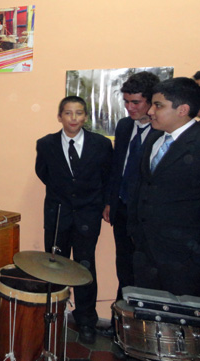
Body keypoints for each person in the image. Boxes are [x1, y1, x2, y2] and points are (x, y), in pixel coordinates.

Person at [35, 96, 113, 344]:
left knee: (85, 268)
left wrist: (93, 203)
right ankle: (53, 316)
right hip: (57, 215)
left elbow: (106, 177)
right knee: (54, 267)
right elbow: (43, 173)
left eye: (79, 113)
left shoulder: (100, 144)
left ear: (86, 117)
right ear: (60, 116)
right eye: (68, 113)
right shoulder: (45, 144)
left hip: (88, 216)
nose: (73, 118)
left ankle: (86, 320)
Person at [100, 72, 160, 337]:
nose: (130, 107)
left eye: (136, 102)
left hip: (149, 216)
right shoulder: (124, 126)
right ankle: (119, 326)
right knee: (123, 267)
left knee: (146, 272)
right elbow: (117, 168)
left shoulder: (162, 131)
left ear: (151, 101)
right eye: (126, 101)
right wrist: (110, 201)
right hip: (122, 209)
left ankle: (143, 332)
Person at [128, 77, 200, 297]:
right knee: (150, 317)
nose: (150, 111)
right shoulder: (155, 139)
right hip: (146, 250)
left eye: (158, 105)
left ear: (182, 110)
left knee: (181, 322)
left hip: (184, 256)